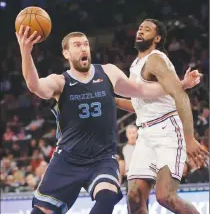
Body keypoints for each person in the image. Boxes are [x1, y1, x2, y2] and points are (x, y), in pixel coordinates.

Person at [16, 25, 202, 214]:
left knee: (108, 196)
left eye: (86, 44)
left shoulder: (108, 73)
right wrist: (26, 52)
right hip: (68, 159)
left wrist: (181, 84)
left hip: (102, 158)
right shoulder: (60, 82)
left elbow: (143, 91)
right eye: (77, 45)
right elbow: (35, 85)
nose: (83, 48)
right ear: (66, 53)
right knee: (41, 211)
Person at [115, 19, 209, 214]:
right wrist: (112, 99)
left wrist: (189, 137)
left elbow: (180, 95)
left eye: (147, 29)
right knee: (134, 196)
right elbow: (137, 105)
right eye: (139, 28)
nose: (140, 31)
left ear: (157, 38)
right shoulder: (136, 64)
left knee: (165, 196)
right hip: (145, 134)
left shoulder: (156, 59)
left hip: (168, 130)